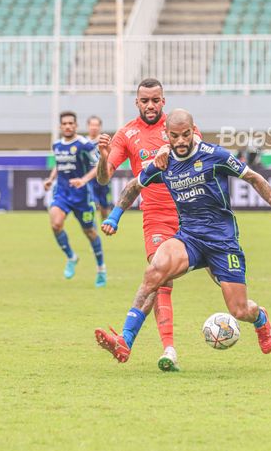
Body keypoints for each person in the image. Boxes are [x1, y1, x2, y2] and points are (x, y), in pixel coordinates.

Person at [94, 109, 271, 367]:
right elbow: (133, 187)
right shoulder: (163, 162)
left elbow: (253, 177)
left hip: (222, 242)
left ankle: (260, 318)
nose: (181, 141)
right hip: (190, 239)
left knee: (239, 310)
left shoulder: (214, 155)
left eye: (186, 135)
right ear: (168, 136)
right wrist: (114, 217)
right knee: (155, 271)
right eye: (175, 136)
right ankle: (125, 341)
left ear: (193, 131)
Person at [96, 78, 203, 372]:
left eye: (155, 100)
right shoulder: (126, 134)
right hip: (156, 217)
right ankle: (164, 349)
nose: (151, 105)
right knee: (159, 278)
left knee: (228, 287)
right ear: (137, 103)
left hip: (193, 215)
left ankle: (256, 317)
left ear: (163, 101)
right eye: (145, 101)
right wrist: (103, 157)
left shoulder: (180, 129)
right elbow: (105, 177)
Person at [43, 111, 107, 287]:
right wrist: (50, 179)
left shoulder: (84, 145)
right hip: (62, 193)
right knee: (55, 224)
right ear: (60, 126)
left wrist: (84, 180)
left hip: (82, 196)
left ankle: (101, 268)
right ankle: (71, 257)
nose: (68, 126)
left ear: (76, 126)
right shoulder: (56, 145)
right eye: (65, 124)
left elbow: (98, 165)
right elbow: (59, 165)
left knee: (90, 232)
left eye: (71, 123)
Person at [85, 115, 113, 220]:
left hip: (103, 176)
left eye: (96, 125)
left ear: (100, 127)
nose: (94, 127)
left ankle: (105, 221)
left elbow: (112, 157)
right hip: (88, 178)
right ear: (88, 126)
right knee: (91, 202)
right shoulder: (83, 142)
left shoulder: (105, 141)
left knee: (104, 205)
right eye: (92, 125)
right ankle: (90, 223)